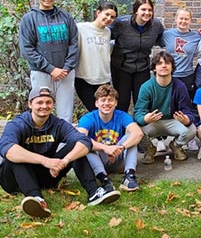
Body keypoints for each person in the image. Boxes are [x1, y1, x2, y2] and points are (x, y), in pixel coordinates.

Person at [0, 87, 120, 218]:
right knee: (17, 156)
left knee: (76, 146)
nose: (44, 106)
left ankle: (94, 192)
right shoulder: (18, 124)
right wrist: (46, 161)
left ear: (53, 104)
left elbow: (85, 142)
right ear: (30, 104)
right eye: (39, 102)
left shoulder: (58, 124)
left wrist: (65, 161)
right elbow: (8, 150)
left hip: (46, 175)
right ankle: (36, 199)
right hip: (14, 180)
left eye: (48, 102)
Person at [19, 0, 79, 122]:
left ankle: (64, 144)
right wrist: (51, 69)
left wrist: (66, 68)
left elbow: (74, 43)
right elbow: (27, 48)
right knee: (41, 110)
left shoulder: (66, 17)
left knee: (65, 114)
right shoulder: (29, 19)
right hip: (41, 73)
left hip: (66, 73)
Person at [77, 84, 144, 192]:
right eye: (103, 100)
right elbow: (79, 138)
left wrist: (121, 147)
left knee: (130, 138)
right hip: (98, 159)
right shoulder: (88, 118)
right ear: (96, 103)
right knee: (86, 144)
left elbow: (138, 133)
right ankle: (104, 180)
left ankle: (129, 177)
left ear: (116, 103)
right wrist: (105, 148)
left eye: (110, 100)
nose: (107, 103)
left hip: (117, 157)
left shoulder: (122, 116)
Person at [133, 51, 196, 163]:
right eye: (159, 63)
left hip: (172, 121)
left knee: (191, 129)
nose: (163, 66)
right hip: (152, 122)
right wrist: (144, 119)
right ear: (154, 68)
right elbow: (138, 112)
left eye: (167, 63)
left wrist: (187, 120)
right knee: (133, 130)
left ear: (172, 67)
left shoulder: (180, 86)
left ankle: (176, 145)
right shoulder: (146, 87)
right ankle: (150, 149)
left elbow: (188, 110)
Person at [110, 0, 165, 111]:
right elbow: (104, 34)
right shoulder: (121, 24)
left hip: (142, 68)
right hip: (121, 68)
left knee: (142, 101)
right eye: (143, 9)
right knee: (122, 102)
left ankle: (141, 127)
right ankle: (121, 127)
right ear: (136, 10)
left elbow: (164, 39)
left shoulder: (156, 26)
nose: (147, 13)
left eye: (150, 10)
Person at [75, 2, 118, 112]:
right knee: (95, 111)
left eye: (112, 17)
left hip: (103, 78)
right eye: (107, 14)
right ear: (98, 12)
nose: (109, 18)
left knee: (105, 111)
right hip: (84, 78)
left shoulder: (108, 32)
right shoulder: (81, 28)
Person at [163, 6, 201, 100]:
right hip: (170, 75)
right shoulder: (166, 34)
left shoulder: (197, 36)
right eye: (181, 18)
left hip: (187, 76)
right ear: (176, 19)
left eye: (186, 19)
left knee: (185, 104)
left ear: (190, 21)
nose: (183, 21)